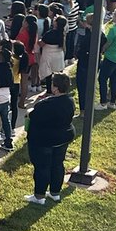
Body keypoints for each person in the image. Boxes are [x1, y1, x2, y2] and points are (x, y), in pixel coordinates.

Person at [25, 72, 77, 205]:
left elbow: (33, 116)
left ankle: (39, 196)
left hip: (45, 140)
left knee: (42, 167)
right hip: (63, 138)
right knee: (57, 164)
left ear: (56, 88)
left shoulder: (46, 104)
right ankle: (55, 193)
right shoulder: (70, 101)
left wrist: (31, 110)